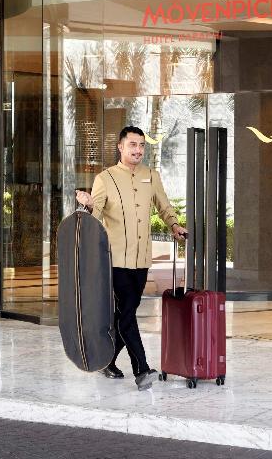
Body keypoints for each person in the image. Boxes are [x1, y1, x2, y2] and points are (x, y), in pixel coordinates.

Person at [76, 126, 187, 391]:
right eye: (133, 145)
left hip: (141, 259)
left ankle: (105, 360)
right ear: (120, 147)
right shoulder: (105, 178)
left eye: (141, 145)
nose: (138, 150)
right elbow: (95, 214)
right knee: (127, 312)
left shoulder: (151, 176)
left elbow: (164, 206)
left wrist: (174, 225)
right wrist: (89, 203)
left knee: (125, 313)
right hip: (114, 260)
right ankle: (142, 370)